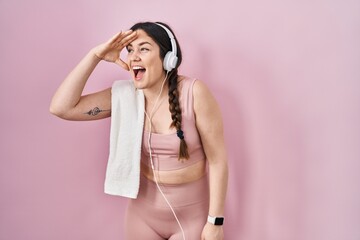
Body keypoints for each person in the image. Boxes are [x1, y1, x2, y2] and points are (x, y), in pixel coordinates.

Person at [50, 21, 228, 240]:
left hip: (191, 219)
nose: (134, 56)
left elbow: (218, 160)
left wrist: (215, 222)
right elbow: (61, 108)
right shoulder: (124, 97)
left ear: (168, 58)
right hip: (142, 218)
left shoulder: (195, 93)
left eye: (143, 48)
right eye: (130, 50)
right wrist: (95, 56)